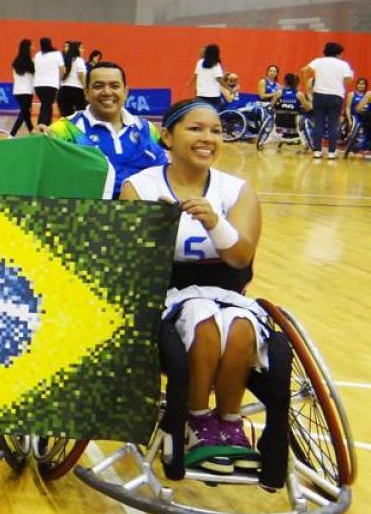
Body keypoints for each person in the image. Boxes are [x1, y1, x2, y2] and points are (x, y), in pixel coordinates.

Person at [120, 99, 267, 473]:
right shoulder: (140, 186)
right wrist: (159, 229)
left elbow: (240, 256)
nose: (208, 138)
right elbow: (133, 265)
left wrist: (215, 222)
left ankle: (229, 423)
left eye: (215, 131)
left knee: (241, 329)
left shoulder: (236, 190)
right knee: (202, 324)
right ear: (167, 136)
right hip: (166, 295)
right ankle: (196, 419)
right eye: (196, 129)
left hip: (228, 293)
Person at [45, 61, 167, 199]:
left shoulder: (146, 129)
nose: (107, 92)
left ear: (125, 92)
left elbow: (163, 174)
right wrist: (39, 141)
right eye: (98, 86)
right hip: (89, 215)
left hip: (140, 215)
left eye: (114, 86)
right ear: (86, 93)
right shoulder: (64, 129)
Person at [301, 42, 355, 159]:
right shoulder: (343, 64)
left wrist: (307, 86)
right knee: (333, 125)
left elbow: (304, 70)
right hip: (336, 96)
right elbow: (349, 80)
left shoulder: (318, 61)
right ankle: (331, 152)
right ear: (338, 53)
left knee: (318, 124)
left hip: (319, 95)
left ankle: (317, 151)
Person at [191, 43, 232, 113]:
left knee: (201, 114)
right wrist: (229, 89)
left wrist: (194, 89)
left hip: (201, 94)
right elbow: (219, 79)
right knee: (214, 115)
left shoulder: (199, 62)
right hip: (213, 96)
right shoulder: (216, 65)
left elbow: (196, 76)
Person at [33, 37, 64, 127]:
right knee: (47, 104)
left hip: (38, 85)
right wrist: (59, 80)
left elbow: (35, 68)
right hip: (51, 84)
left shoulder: (38, 54)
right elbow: (62, 69)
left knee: (47, 104)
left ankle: (48, 125)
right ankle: (42, 123)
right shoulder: (57, 54)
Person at [10, 38, 36, 136]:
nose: (34, 48)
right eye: (32, 45)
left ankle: (12, 134)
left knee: (24, 113)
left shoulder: (15, 62)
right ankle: (31, 130)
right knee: (25, 113)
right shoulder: (32, 62)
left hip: (17, 91)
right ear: (28, 48)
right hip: (27, 91)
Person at [57, 40, 87, 116]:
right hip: (76, 90)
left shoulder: (65, 60)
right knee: (80, 113)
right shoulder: (79, 60)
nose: (83, 50)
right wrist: (85, 88)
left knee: (66, 115)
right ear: (76, 49)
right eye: (81, 48)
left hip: (64, 89)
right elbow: (81, 75)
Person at [346, 77, 369, 156]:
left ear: (366, 86)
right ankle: (352, 148)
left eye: (363, 84)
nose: (361, 85)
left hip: (365, 117)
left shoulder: (368, 95)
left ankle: (365, 147)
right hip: (355, 116)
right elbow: (348, 108)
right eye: (359, 83)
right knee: (354, 127)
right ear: (357, 85)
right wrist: (349, 119)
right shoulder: (352, 94)